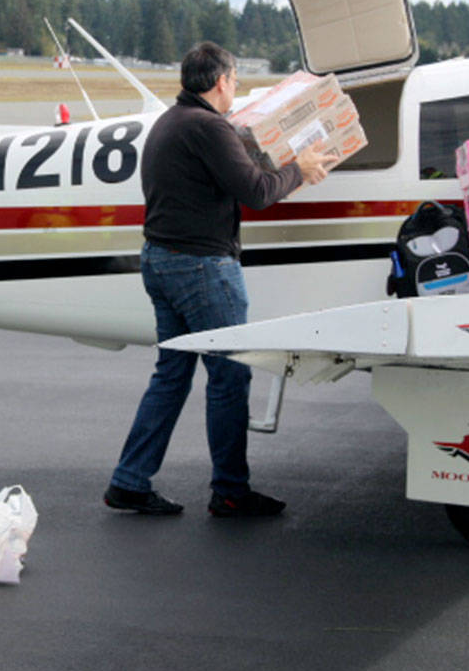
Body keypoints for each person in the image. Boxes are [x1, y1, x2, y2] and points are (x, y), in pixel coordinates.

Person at [103, 42, 334, 518]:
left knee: (172, 375)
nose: (238, 89)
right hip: (202, 268)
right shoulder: (210, 128)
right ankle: (230, 490)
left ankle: (130, 480)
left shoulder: (170, 123)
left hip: (160, 261)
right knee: (230, 376)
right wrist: (301, 170)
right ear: (222, 81)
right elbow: (257, 191)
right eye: (235, 80)